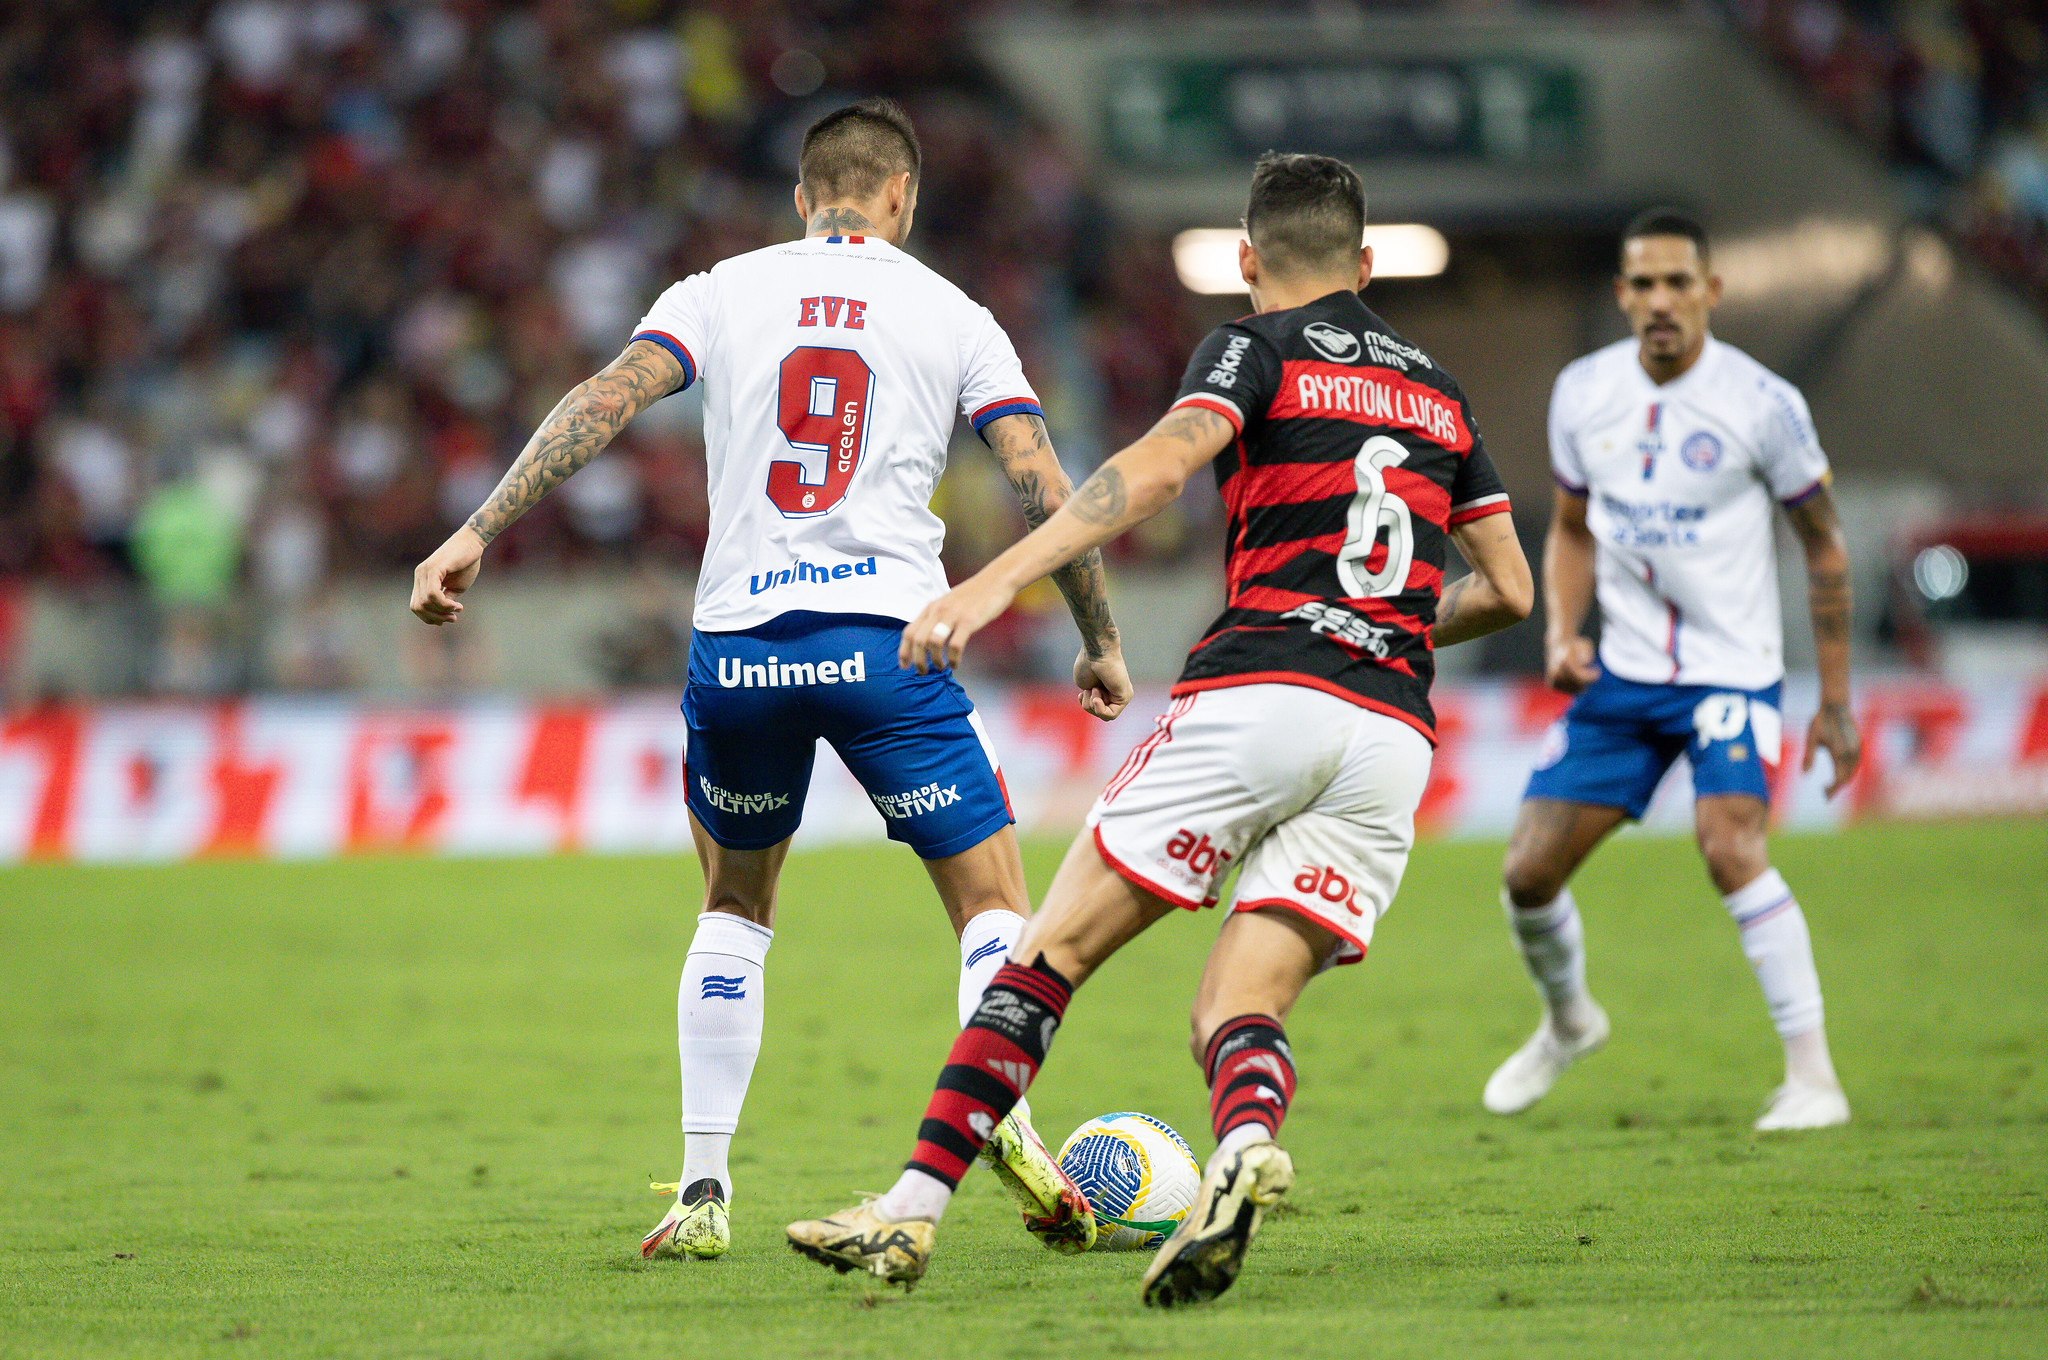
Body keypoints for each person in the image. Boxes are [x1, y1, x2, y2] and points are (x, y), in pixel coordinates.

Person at [786, 152, 1534, 1305]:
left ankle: (908, 1213)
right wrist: (1378, 619)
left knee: (1046, 955)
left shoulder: (1251, 348)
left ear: (1245, 262)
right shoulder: (1437, 391)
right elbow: (1509, 589)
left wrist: (992, 586)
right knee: (1236, 1008)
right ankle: (1238, 1148)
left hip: (1259, 693)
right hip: (1389, 729)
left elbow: (1152, 470)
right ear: (1367, 263)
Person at [409, 98, 1131, 1261]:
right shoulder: (957, 315)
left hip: (738, 650)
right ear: (901, 196)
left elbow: (605, 399)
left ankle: (700, 1192)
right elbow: (1045, 484)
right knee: (996, 906)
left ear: (804, 197)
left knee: (734, 909)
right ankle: (1006, 1115)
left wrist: (475, 530)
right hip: (891, 645)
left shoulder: (717, 290)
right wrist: (1095, 633)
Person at [1479, 209, 1862, 1131]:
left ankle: (1815, 1079)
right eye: (1642, 284)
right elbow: (1570, 529)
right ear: (1621, 296)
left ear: (1710, 292)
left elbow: (1825, 548)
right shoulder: (1581, 393)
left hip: (1732, 673)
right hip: (1624, 677)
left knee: (1730, 846)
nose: (1659, 301)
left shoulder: (1764, 405)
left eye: (1677, 283)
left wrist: (1837, 703)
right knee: (1527, 874)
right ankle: (1570, 1021)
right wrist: (1563, 631)